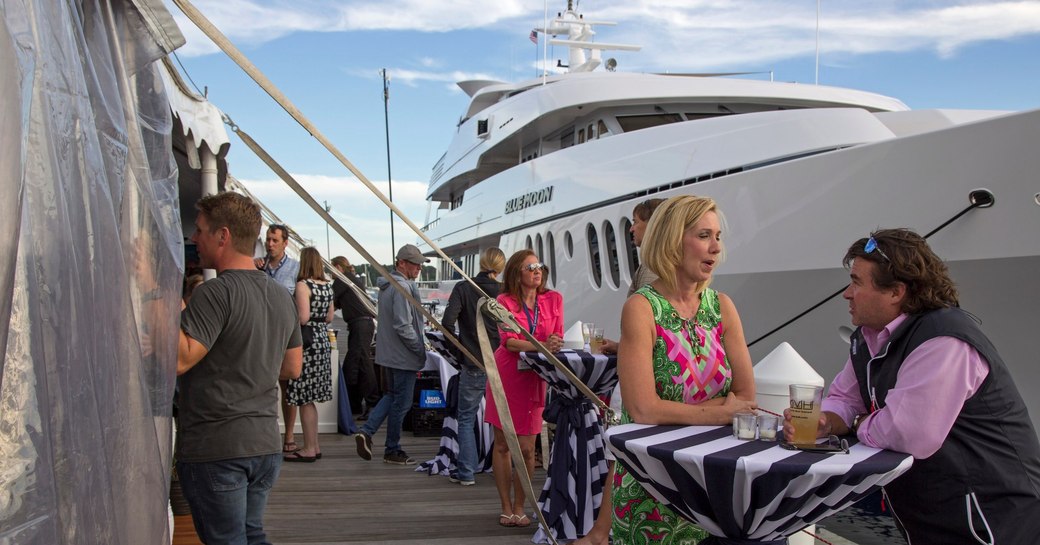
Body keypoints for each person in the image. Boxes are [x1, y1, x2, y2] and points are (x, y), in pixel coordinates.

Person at [782, 228, 1040, 544]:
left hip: (991, 521)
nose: (847, 293)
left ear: (896, 292)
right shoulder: (868, 338)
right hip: (938, 519)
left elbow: (910, 433)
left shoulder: (943, 340)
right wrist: (826, 421)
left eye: (857, 282)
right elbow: (844, 397)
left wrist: (859, 422)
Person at [612, 195, 757, 545]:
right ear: (673, 240)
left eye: (718, 237)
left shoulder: (722, 306)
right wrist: (722, 412)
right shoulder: (642, 309)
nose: (715, 248)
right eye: (704, 235)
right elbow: (644, 409)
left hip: (716, 484)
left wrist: (701, 412)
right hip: (656, 487)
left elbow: (747, 397)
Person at [177, 192, 302, 544]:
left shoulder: (214, 293)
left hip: (219, 447)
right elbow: (292, 367)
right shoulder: (281, 295)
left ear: (223, 236)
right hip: (264, 444)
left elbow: (181, 358)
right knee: (251, 534)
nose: (194, 238)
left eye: (200, 230)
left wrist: (158, 293)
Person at [573, 197, 664, 545]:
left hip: (643, 380)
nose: (631, 228)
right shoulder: (651, 266)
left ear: (653, 226)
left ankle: (602, 533)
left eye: (637, 222)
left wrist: (628, 349)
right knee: (622, 453)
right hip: (639, 371)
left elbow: (653, 335)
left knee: (623, 451)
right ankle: (605, 531)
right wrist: (623, 346)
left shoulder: (653, 268)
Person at [487, 249, 564, 528]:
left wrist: (551, 343)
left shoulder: (554, 299)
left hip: (535, 376)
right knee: (503, 443)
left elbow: (558, 335)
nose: (537, 271)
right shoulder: (504, 300)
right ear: (517, 273)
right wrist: (542, 345)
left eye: (539, 266)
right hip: (506, 375)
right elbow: (508, 341)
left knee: (528, 448)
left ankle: (520, 506)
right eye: (530, 267)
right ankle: (506, 506)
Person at [355, 244, 429, 465]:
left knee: (392, 395)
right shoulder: (402, 288)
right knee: (401, 403)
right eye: (415, 263)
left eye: (420, 264)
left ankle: (367, 431)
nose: (419, 268)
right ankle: (392, 449)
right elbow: (403, 325)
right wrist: (420, 348)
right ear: (402, 263)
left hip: (389, 353)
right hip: (403, 356)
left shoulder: (387, 287)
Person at [440, 247, 506, 486]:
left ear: (481, 263)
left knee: (466, 417)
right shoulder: (505, 291)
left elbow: (447, 323)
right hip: (502, 364)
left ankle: (466, 471)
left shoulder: (463, 287)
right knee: (504, 419)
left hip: (475, 362)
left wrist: (461, 347)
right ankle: (502, 469)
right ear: (500, 267)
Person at [252, 224, 304, 454]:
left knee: (287, 387)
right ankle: (262, 434)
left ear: (285, 243)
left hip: (283, 335)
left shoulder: (295, 269)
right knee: (259, 385)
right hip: (259, 334)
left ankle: (289, 435)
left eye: (275, 240)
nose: (270, 244)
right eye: (268, 240)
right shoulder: (257, 267)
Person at [283, 247, 335, 462]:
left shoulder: (303, 285)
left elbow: (302, 318)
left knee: (305, 398)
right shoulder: (328, 286)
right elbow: (330, 317)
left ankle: (309, 448)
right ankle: (314, 445)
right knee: (310, 399)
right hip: (322, 341)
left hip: (307, 343)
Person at [331, 255, 379, 419]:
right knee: (357, 363)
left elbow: (330, 300)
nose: (330, 274)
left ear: (338, 267)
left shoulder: (342, 280)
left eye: (331, 269)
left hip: (360, 324)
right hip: (363, 324)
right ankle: (355, 403)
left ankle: (371, 403)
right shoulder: (351, 280)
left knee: (361, 363)